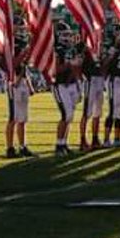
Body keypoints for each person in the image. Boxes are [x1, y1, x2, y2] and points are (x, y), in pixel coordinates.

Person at [52, 22, 83, 156]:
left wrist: (78, 84)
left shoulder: (71, 49)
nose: (68, 37)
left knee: (69, 116)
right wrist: (70, 64)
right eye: (65, 34)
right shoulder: (56, 49)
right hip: (60, 85)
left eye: (68, 34)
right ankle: (59, 145)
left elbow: (75, 69)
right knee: (66, 115)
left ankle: (64, 143)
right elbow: (55, 70)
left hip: (71, 84)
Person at [5, 23, 33, 158]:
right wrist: (24, 53)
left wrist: (29, 83)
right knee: (13, 117)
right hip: (13, 81)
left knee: (23, 118)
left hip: (22, 81)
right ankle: (10, 148)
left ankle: (23, 146)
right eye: (19, 26)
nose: (22, 29)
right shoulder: (9, 43)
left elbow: (24, 66)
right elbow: (13, 64)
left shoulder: (22, 42)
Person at [80, 42, 108, 150]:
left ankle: (95, 138)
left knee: (98, 112)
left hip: (99, 79)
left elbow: (102, 66)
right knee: (87, 112)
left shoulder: (99, 46)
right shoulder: (85, 48)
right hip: (90, 79)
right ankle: (83, 139)